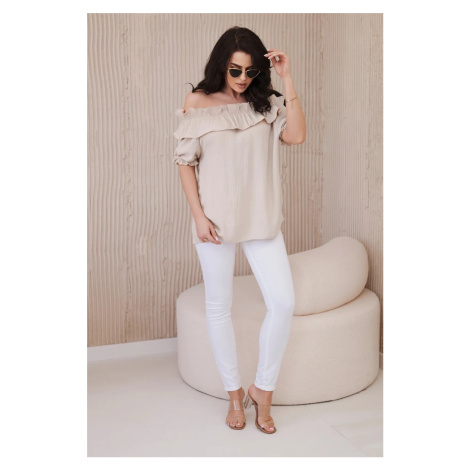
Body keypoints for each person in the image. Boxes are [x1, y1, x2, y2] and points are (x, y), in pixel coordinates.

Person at [173, 26, 306, 433]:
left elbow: (296, 136)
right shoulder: (198, 102)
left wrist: (286, 78)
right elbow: (185, 162)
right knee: (219, 306)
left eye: (250, 71)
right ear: (221, 66)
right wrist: (198, 217)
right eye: (235, 70)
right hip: (213, 221)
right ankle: (234, 394)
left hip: (260, 218)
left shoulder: (265, 103)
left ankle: (262, 389)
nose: (243, 78)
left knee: (282, 303)